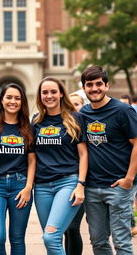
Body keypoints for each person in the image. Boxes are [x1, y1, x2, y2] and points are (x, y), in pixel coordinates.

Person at [80, 65, 137, 254]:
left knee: (121, 242)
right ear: (84, 87)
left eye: (98, 84)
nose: (94, 88)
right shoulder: (83, 114)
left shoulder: (123, 110)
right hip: (93, 188)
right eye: (89, 85)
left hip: (118, 186)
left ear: (107, 85)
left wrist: (128, 179)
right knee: (98, 241)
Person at [32, 77, 88, 254]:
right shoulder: (36, 121)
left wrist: (81, 184)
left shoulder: (75, 118)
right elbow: (29, 155)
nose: (49, 96)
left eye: (53, 92)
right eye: (45, 92)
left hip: (67, 182)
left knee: (51, 237)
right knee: (50, 241)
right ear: (40, 96)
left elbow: (84, 154)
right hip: (41, 187)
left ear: (61, 93)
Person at [0, 83, 36, 255]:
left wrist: (28, 188)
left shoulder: (28, 127)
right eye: (9, 97)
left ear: (22, 102)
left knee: (17, 238)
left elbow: (32, 161)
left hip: (20, 186)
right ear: (1, 100)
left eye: (17, 98)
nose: (13, 101)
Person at [64, 93, 85, 255]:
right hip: (64, 183)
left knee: (72, 227)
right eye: (70, 104)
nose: (73, 107)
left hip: (82, 183)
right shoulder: (63, 128)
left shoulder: (85, 127)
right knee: (65, 229)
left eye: (77, 104)